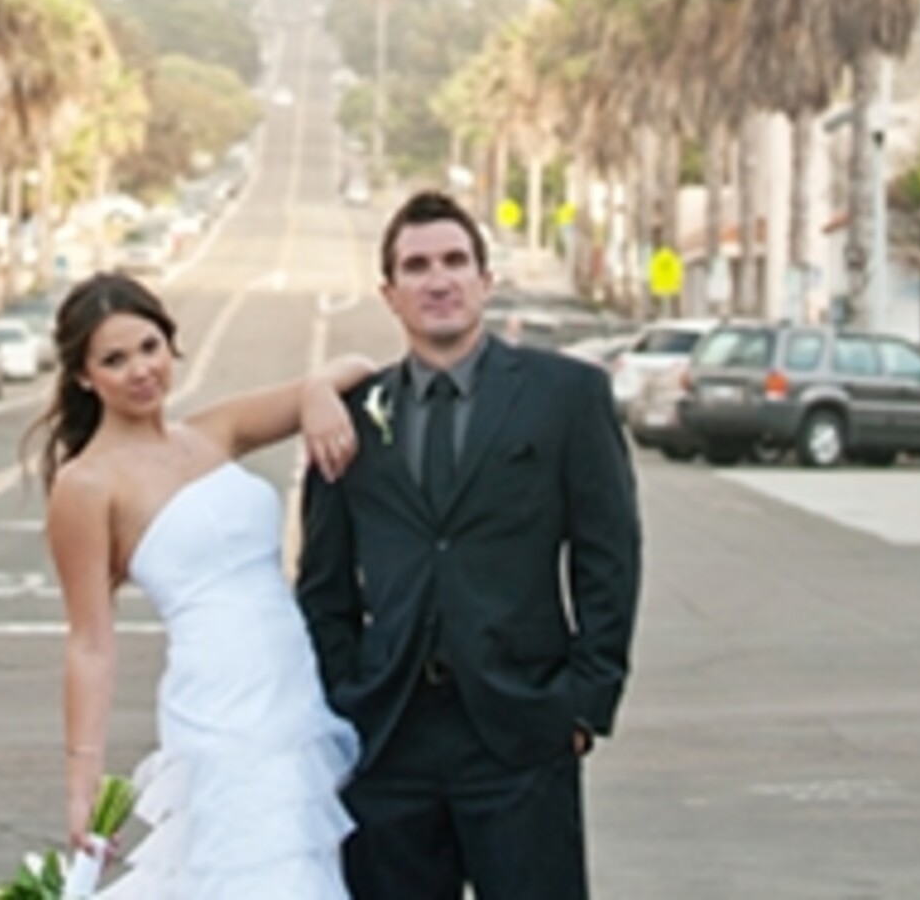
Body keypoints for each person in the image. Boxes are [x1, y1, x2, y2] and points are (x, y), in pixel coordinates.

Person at [297, 190, 643, 900]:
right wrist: (345, 695)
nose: (439, 280)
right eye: (417, 266)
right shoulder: (351, 416)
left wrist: (583, 703)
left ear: (485, 281)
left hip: (522, 732)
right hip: (390, 738)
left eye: (455, 261)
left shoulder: (566, 396)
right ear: (390, 294)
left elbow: (609, 556)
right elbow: (322, 584)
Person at [31, 271, 375, 898]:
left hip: (295, 691)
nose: (140, 370)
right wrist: (82, 784)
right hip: (219, 707)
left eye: (149, 347)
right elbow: (89, 644)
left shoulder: (214, 430)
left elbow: (356, 366)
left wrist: (319, 390)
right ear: (83, 376)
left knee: (305, 861)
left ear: (170, 343)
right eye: (114, 360)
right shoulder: (87, 484)